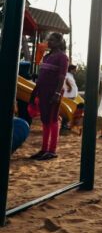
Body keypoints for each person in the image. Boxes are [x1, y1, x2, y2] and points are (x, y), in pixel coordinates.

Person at [28, 32, 69, 160]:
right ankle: (44, 149)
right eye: (48, 40)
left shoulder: (62, 57)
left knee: (53, 119)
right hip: (43, 92)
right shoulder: (46, 57)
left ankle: (52, 150)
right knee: (45, 119)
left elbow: (62, 76)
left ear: (58, 42)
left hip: (53, 92)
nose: (49, 42)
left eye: (51, 40)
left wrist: (57, 93)